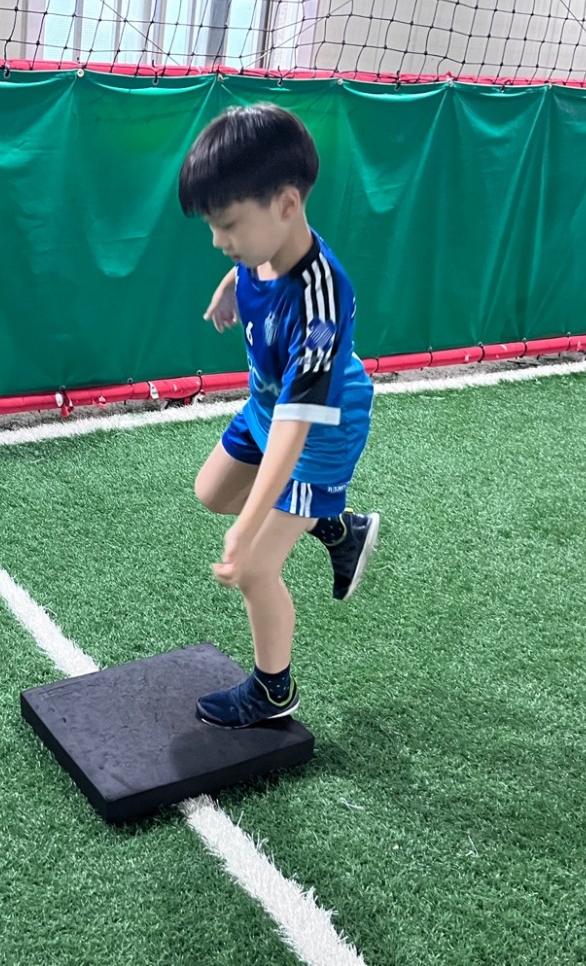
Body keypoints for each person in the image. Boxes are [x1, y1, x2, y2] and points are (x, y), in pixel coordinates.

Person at [177, 102, 380, 728]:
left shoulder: (321, 301)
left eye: (228, 225)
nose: (220, 241)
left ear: (286, 205)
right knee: (211, 492)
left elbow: (296, 432)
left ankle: (273, 690)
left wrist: (251, 528)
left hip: (319, 430)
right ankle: (336, 528)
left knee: (254, 568)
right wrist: (231, 284)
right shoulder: (261, 251)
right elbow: (250, 264)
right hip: (268, 404)